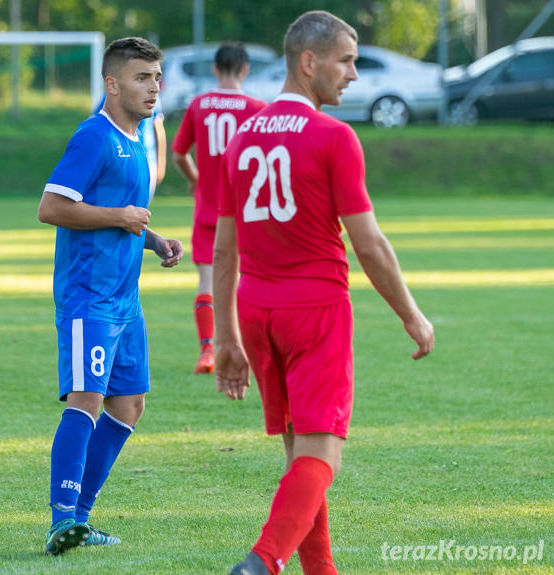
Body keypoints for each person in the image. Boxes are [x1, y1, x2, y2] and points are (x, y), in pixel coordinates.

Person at [212, 12, 435, 575]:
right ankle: (262, 561)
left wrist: (226, 339)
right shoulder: (334, 137)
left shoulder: (240, 139)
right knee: (322, 454)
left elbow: (222, 252)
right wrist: (411, 314)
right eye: (347, 60)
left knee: (299, 458)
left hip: (257, 313)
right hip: (315, 312)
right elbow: (370, 245)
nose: (354, 74)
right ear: (308, 62)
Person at [37, 36, 183, 556]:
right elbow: (52, 207)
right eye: (142, 78)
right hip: (89, 297)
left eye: (158, 77)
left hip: (125, 299)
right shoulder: (94, 136)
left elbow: (120, 212)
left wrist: (154, 239)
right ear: (113, 83)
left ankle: (80, 518)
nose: (154, 87)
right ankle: (61, 522)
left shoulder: (138, 138)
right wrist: (121, 218)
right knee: (87, 400)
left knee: (129, 405)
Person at [171, 42, 266, 375]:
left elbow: (179, 153)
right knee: (243, 280)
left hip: (208, 210)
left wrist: (195, 179)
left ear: (215, 69)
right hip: (243, 211)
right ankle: (243, 346)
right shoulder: (256, 108)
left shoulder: (199, 105)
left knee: (208, 281)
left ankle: (208, 350)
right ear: (245, 69)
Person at [94, 93, 166, 204]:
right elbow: (100, 124)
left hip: (147, 160)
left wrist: (161, 164)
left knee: (141, 207)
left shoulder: (153, 95)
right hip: (121, 159)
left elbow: (158, 129)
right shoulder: (113, 94)